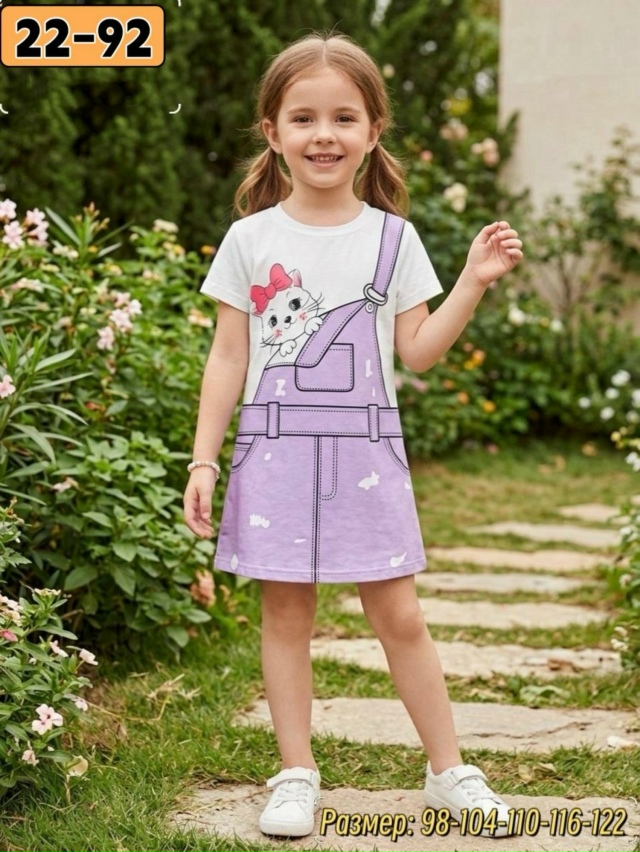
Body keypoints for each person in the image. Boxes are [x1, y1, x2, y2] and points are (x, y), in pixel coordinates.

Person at [183, 31, 524, 840]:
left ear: (374, 130)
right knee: (285, 614)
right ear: (272, 131)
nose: (323, 134)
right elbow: (228, 356)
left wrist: (472, 282)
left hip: (366, 456)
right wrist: (204, 459)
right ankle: (296, 772)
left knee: (398, 613)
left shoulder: (392, 239)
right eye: (304, 118)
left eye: (343, 117)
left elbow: (419, 352)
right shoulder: (250, 240)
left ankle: (449, 771)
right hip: (272, 455)